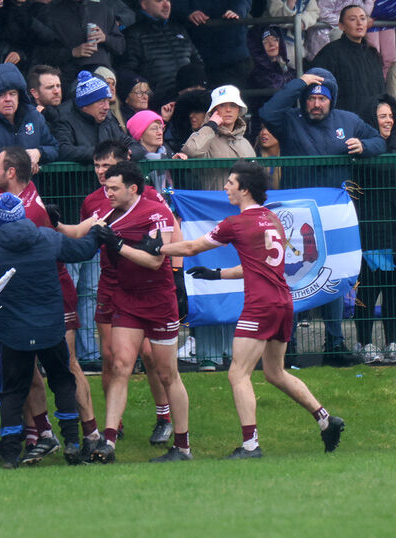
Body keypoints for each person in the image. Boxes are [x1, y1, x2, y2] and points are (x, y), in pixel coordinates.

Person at [138, 159, 346, 457]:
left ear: (244, 189)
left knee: (238, 374)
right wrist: (218, 274)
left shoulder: (235, 223)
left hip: (260, 305)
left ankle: (251, 445)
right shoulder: (272, 219)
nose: (225, 187)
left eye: (230, 183)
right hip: (283, 302)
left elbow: (191, 247)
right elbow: (259, 266)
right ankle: (326, 420)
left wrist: (158, 247)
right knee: (275, 372)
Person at [0, 191, 106, 468]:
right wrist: (97, 233)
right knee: (62, 381)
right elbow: (83, 250)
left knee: (12, 391)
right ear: (22, 215)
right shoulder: (46, 237)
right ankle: (72, 442)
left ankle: (11, 453)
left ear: (0, 219)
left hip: (13, 332)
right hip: (50, 327)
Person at [259, 68, 385, 364]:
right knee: (293, 279)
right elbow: (267, 112)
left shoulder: (348, 121)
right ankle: (288, 347)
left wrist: (364, 146)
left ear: (332, 100)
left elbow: (379, 142)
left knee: (333, 277)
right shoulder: (290, 120)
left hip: (333, 219)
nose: (316, 104)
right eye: (311, 98)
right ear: (303, 99)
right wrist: (299, 83)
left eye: (322, 98)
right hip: (297, 219)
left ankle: (335, 345)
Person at [0, 146, 102, 463]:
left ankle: (91, 434)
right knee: (30, 370)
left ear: (11, 172)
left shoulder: (26, 213)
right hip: (33, 296)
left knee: (67, 365)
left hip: (51, 292)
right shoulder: (20, 191)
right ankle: (44, 433)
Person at [82, 140, 182, 449]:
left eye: (108, 167)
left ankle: (169, 423)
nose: (102, 174)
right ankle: (111, 435)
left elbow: (160, 254)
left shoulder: (152, 203)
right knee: (114, 360)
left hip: (155, 292)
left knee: (158, 363)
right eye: (97, 166)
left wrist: (178, 272)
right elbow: (80, 233)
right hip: (115, 286)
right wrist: (54, 225)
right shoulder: (94, 202)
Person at [182, 84, 254, 370]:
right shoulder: (206, 137)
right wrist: (209, 126)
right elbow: (190, 150)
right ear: (213, 111)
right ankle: (210, 354)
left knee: (236, 281)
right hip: (209, 219)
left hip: (239, 222)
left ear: (240, 110)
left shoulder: (245, 143)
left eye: (233, 106)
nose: (228, 111)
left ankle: (233, 352)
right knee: (210, 280)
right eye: (222, 106)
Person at [355, 93, 396, 363]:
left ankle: (392, 342)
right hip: (369, 231)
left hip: (392, 232)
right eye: (382, 116)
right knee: (368, 290)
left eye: (391, 116)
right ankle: (364, 342)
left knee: (392, 290)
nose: (388, 120)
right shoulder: (362, 150)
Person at [121, 0, 202, 107]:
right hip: (158, 106)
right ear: (144, 4)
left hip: (190, 101)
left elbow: (198, 62)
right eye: (159, 0)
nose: (166, 5)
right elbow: (128, 73)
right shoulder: (133, 34)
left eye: (168, 0)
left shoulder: (179, 29)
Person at [311, 4, 384, 118]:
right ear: (341, 26)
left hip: (372, 120)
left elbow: (380, 89)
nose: (359, 23)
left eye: (363, 19)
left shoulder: (372, 54)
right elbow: (319, 88)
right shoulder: (330, 52)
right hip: (343, 119)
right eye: (353, 19)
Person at [32, 0, 125, 89]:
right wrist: (72, 52)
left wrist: (105, 38)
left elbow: (120, 47)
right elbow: (42, 54)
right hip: (69, 78)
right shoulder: (50, 12)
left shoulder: (102, 9)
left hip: (101, 74)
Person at [51, 70, 130, 164]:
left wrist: (125, 154)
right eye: (101, 102)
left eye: (108, 101)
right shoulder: (65, 122)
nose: (107, 107)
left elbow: (135, 146)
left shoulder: (109, 121)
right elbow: (64, 151)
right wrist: (104, 154)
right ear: (85, 105)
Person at [172, 0, 252, 89]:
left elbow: (243, 2)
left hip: (233, 54)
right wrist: (188, 13)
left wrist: (237, 11)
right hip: (199, 56)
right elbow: (173, 5)